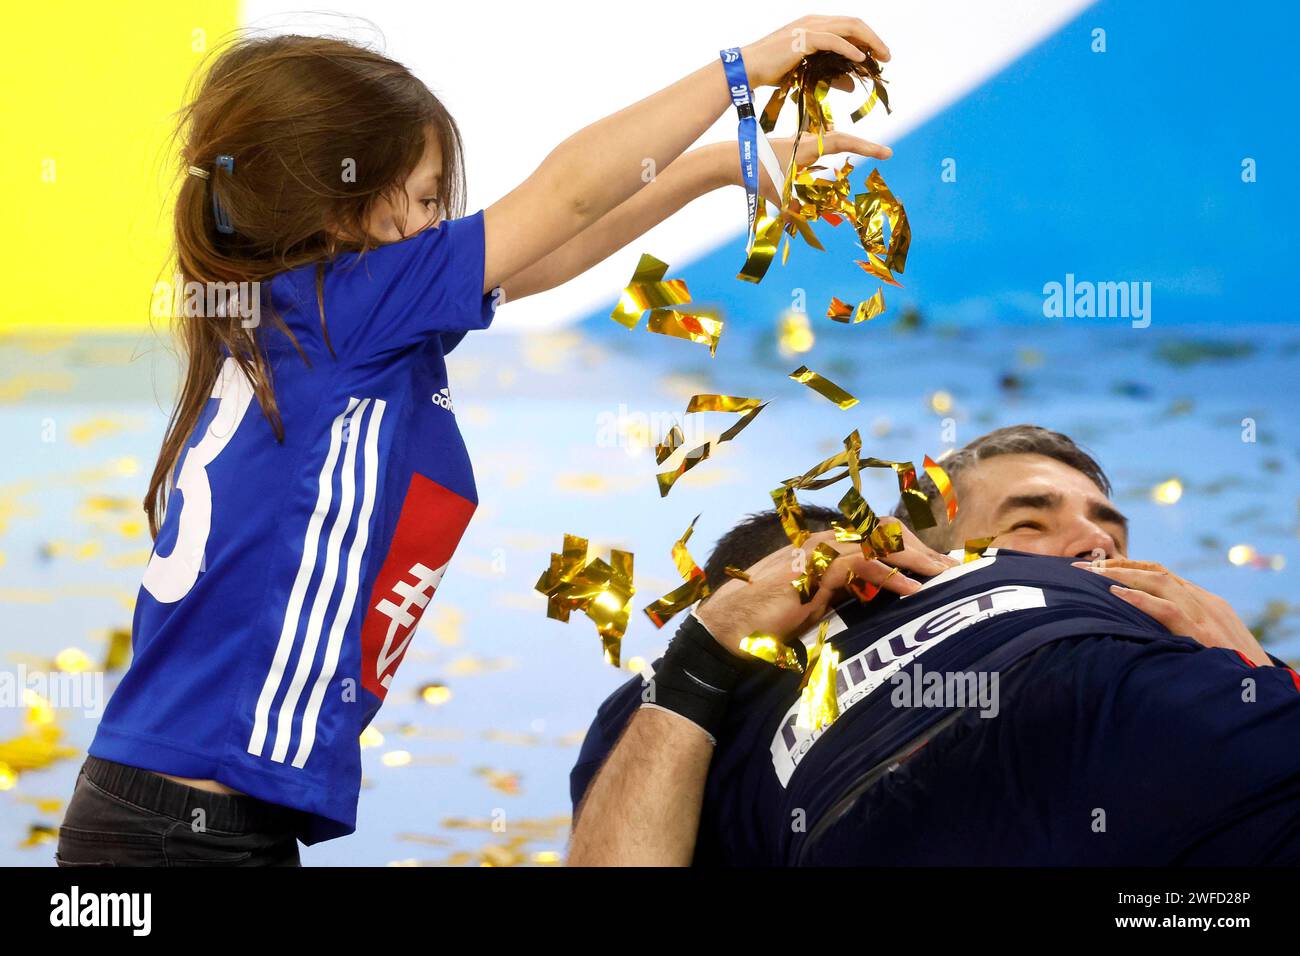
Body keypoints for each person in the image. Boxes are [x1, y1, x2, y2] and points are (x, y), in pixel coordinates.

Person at [57, 16, 895, 866]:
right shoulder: (355, 310)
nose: (438, 220)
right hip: (181, 835)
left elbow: (555, 247)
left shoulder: (320, 314)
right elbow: (565, 195)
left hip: (168, 816)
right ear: (347, 207)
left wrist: (723, 168)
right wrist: (746, 67)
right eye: (425, 198)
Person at [568, 425, 1300, 865]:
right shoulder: (701, 691)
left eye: (1110, 527)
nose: (1096, 542)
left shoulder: (1182, 643)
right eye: (1029, 522)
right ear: (903, 557)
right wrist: (709, 647)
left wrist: (1256, 673)